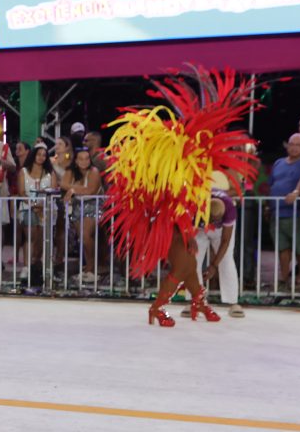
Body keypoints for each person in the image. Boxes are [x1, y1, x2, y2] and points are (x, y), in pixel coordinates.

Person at [103, 69, 259, 327]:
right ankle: (157, 308)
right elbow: (176, 212)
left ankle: (199, 303)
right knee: (182, 269)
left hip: (176, 230)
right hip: (171, 230)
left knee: (188, 270)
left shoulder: (187, 185)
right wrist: (188, 236)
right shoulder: (178, 185)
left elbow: (183, 213)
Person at [183, 191, 244, 318]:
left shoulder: (229, 209)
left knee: (226, 260)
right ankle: (193, 301)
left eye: (217, 220)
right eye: (213, 220)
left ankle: (233, 303)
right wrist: (190, 241)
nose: (214, 224)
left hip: (221, 232)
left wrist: (214, 265)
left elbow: (225, 241)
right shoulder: (194, 204)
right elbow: (185, 228)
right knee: (193, 261)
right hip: (198, 227)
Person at [268, 134, 300, 289]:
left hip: (296, 212)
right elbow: (272, 184)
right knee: (282, 247)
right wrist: (268, 206)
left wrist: (296, 192)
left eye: (298, 145)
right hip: (277, 212)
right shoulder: (278, 163)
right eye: (291, 144)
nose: (293, 147)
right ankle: (284, 278)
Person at [63, 148, 102, 282]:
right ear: (76, 160)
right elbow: (63, 184)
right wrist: (74, 190)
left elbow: (90, 190)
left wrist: (72, 190)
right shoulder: (71, 171)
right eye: (81, 158)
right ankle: (88, 268)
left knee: (86, 236)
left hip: (93, 206)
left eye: (87, 158)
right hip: (77, 207)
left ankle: (91, 268)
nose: (84, 161)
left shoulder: (94, 171)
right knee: (83, 239)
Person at [18, 145, 55, 282]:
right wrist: (33, 204)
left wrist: (41, 205)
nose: (41, 157)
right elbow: (22, 192)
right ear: (33, 155)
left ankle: (39, 265)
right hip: (27, 208)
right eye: (39, 154)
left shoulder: (50, 173)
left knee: (43, 239)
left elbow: (53, 190)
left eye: (44, 155)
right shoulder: (23, 172)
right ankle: (26, 267)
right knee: (30, 237)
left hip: (46, 209)